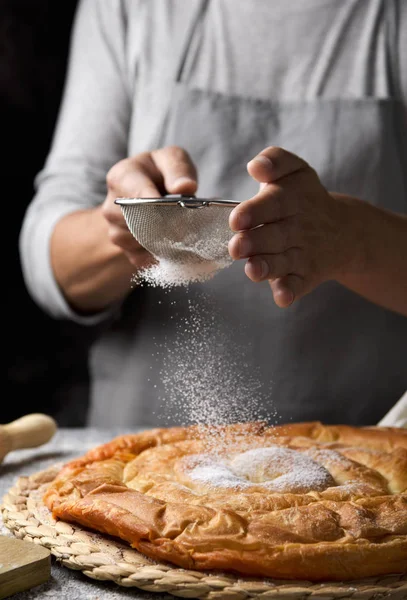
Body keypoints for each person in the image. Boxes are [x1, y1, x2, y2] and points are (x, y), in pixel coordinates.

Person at [19, 0, 407, 429]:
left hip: (371, 452)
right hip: (132, 465)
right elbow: (50, 265)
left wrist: (353, 239)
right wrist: (135, 227)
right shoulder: (129, 8)